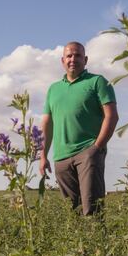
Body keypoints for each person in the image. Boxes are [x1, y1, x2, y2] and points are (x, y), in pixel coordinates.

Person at [40, 41, 118, 215]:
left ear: (86, 59)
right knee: (72, 212)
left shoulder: (98, 82)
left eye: (77, 55)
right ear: (62, 60)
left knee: (92, 209)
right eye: (69, 56)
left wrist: (97, 147)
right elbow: (47, 123)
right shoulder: (53, 89)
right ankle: (79, 243)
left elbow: (112, 116)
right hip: (61, 157)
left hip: (88, 152)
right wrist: (43, 155)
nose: (73, 59)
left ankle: (96, 241)